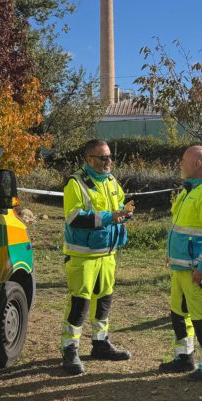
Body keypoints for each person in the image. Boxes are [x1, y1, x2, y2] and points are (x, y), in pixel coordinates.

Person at [60, 139, 135, 375]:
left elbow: (119, 204)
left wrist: (125, 213)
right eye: (103, 158)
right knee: (80, 304)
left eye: (110, 157)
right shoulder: (76, 183)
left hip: (107, 254)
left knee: (104, 300)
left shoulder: (111, 180)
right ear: (89, 159)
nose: (108, 162)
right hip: (83, 257)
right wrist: (109, 217)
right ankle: (70, 350)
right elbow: (73, 217)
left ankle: (100, 344)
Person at [159, 146, 202, 381]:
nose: (181, 164)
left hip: (200, 272)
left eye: (184, 161)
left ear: (198, 163)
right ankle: (184, 358)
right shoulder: (190, 189)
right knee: (179, 314)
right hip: (181, 268)